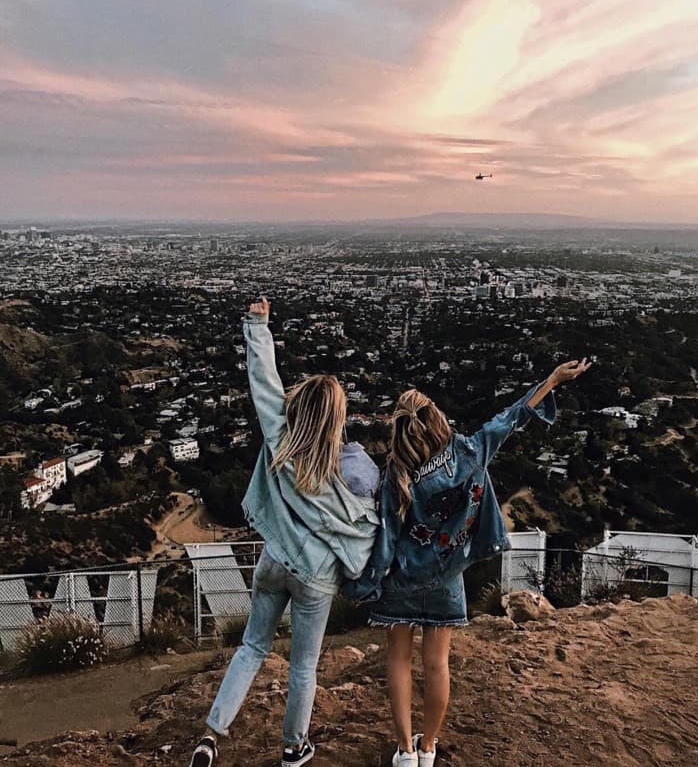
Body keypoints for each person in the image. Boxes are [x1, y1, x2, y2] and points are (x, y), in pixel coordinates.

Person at [344, 359, 590, 766]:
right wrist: (551, 380)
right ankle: (428, 747)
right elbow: (510, 419)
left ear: (400, 431)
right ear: (438, 420)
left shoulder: (397, 476)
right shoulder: (469, 453)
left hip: (402, 582)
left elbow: (386, 542)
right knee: (437, 665)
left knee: (398, 663)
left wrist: (365, 585)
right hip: (447, 579)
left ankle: (405, 752)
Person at [190, 297, 380, 767]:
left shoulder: (284, 443)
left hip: (274, 561)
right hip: (316, 576)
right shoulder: (354, 470)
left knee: (252, 647)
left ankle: (212, 737)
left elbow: (265, 388)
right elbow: (372, 516)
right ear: (338, 416)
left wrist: (258, 326)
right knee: (303, 667)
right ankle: (294, 747)